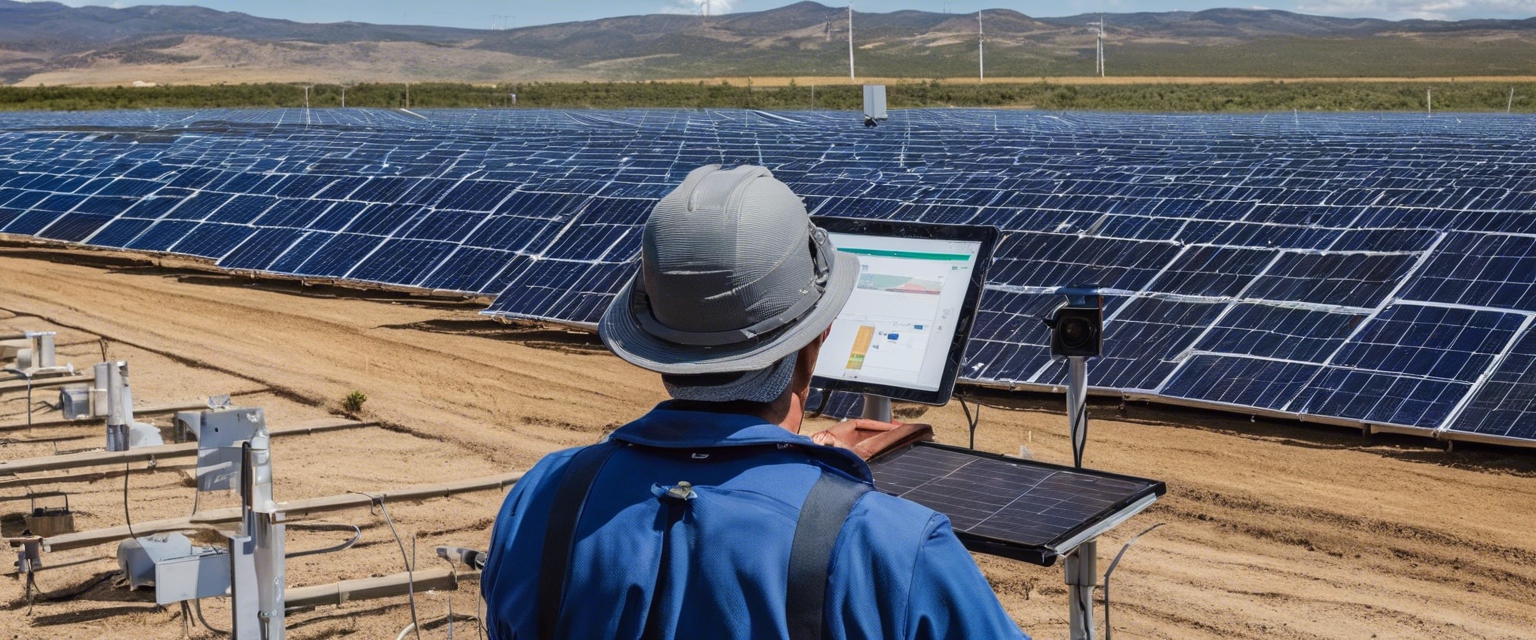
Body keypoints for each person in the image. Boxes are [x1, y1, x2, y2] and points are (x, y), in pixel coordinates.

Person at [482, 164, 1027, 640]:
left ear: (658, 341)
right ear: (817, 338)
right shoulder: (894, 550)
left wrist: (800, 461)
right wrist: (822, 494)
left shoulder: (542, 498)